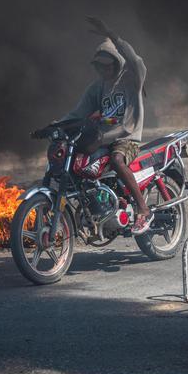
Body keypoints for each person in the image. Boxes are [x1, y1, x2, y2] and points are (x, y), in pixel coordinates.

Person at [61, 17, 152, 235]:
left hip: (126, 138)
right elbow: (77, 112)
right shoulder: (97, 88)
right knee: (77, 161)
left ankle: (143, 208)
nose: (103, 70)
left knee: (117, 160)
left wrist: (112, 34)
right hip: (103, 137)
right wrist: (56, 126)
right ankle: (95, 207)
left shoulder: (132, 78)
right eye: (99, 66)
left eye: (107, 64)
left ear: (117, 62)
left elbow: (134, 58)